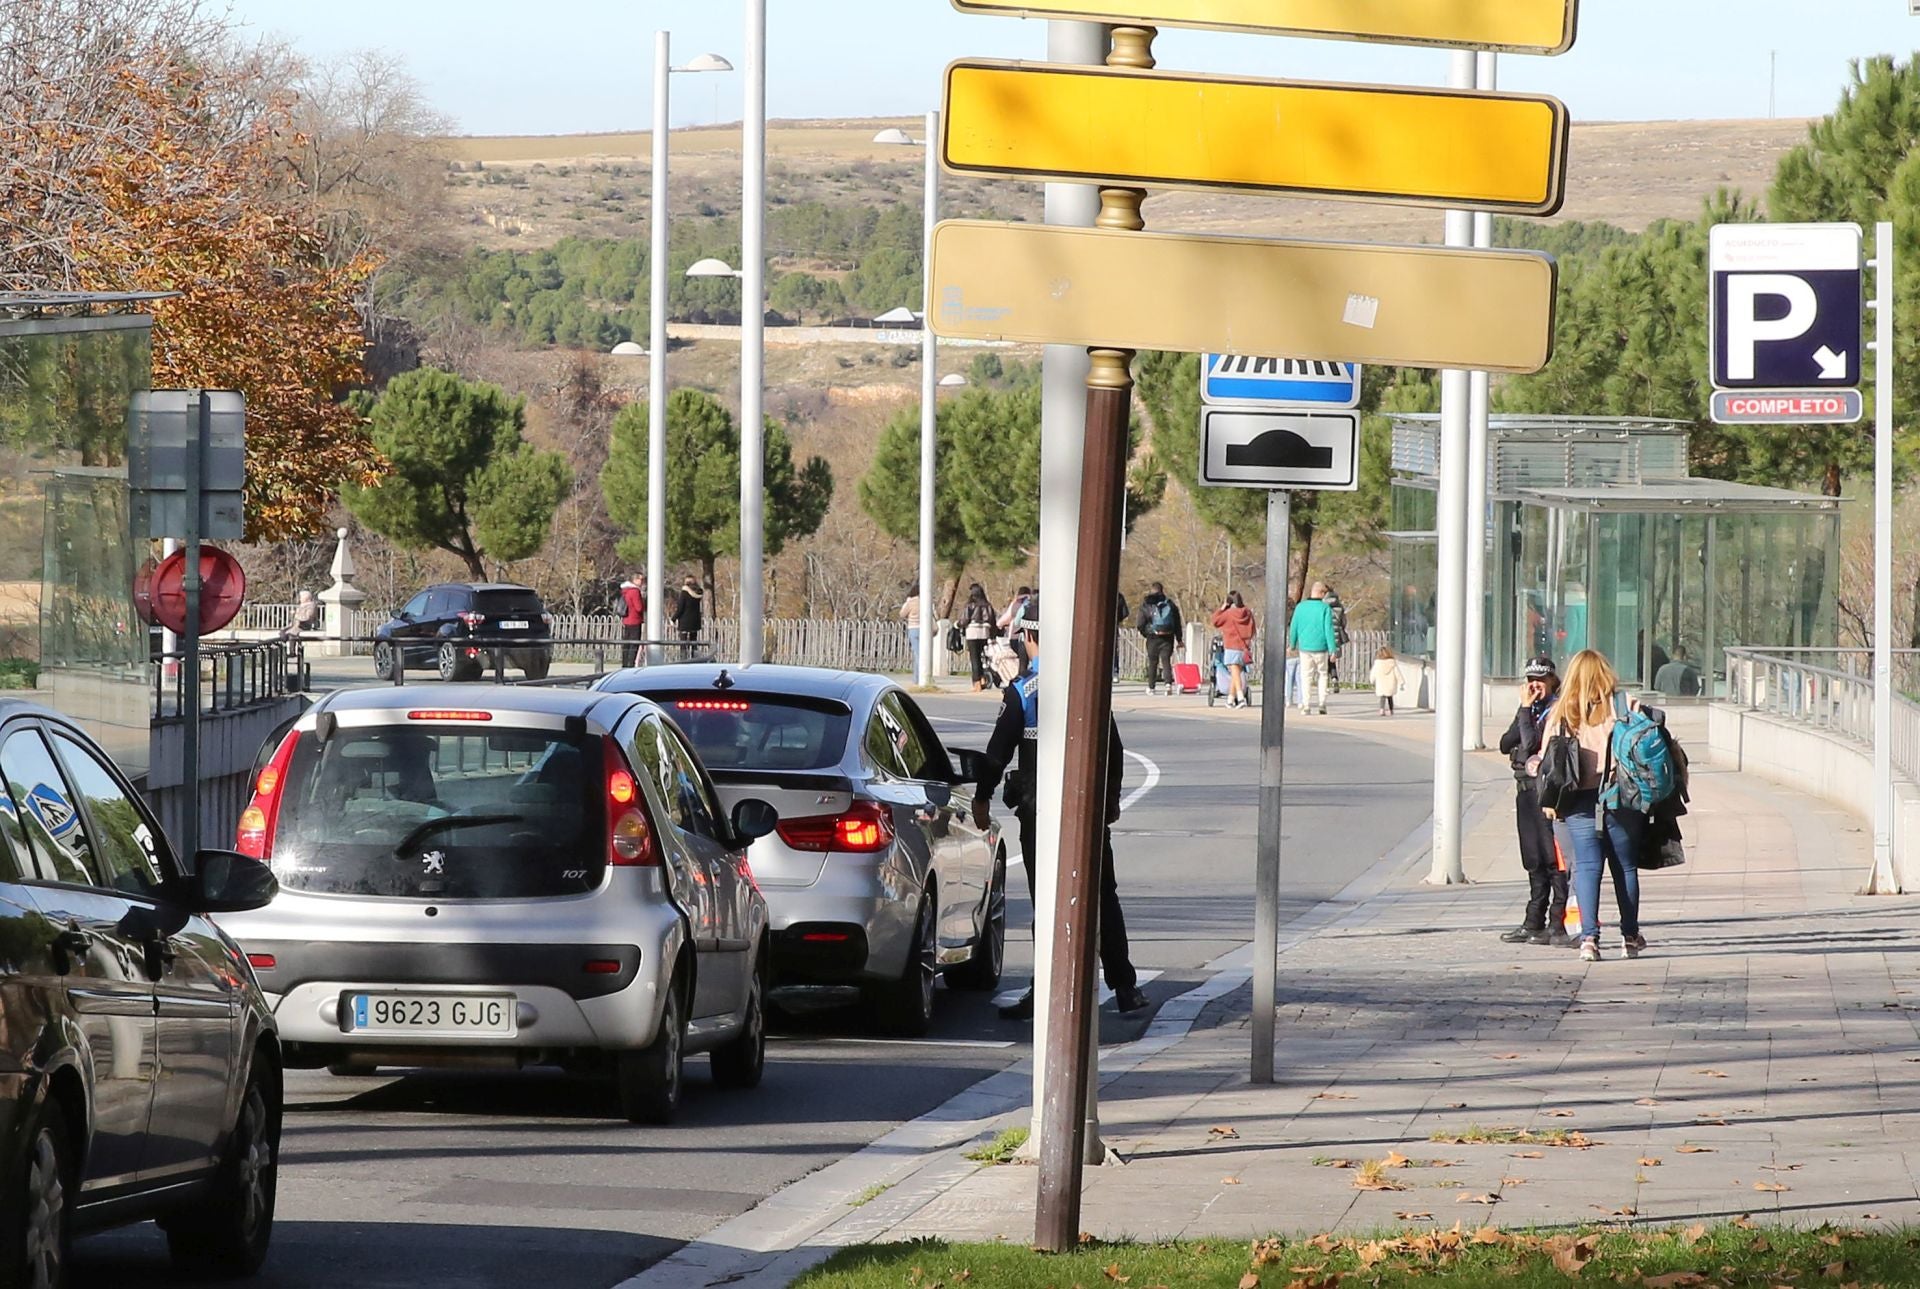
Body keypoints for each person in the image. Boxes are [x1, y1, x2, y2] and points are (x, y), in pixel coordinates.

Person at [973, 595, 1148, 1019]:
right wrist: (1111, 800)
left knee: (1047, 904)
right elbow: (1114, 748)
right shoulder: (1086, 688)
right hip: (1087, 814)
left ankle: (1044, 991)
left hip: (1039, 815)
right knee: (1103, 897)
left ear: (1030, 637)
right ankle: (1125, 988)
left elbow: (997, 753)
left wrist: (981, 797)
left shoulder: (1021, 693)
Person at [1539, 649, 1646, 963]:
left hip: (1578, 800)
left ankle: (1589, 939)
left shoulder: (1562, 713)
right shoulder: (1626, 705)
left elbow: (1548, 760)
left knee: (1587, 867)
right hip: (1621, 795)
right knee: (1625, 867)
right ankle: (1629, 936)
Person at [1497, 655, 1570, 946]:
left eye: (1541, 679)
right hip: (1525, 789)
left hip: (1547, 791)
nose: (1535, 685)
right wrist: (1524, 710)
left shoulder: (1557, 709)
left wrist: (1527, 711)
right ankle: (1533, 921)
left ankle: (1558, 921)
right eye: (1530, 680)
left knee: (1553, 859)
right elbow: (1506, 743)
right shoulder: (1528, 709)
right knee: (1533, 858)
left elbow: (1528, 745)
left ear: (1553, 680)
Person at [1287, 583, 1339, 715]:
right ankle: (1322, 703)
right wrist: (1332, 649)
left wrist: (1292, 644)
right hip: (1321, 647)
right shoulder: (1325, 608)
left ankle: (1306, 705)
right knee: (1322, 674)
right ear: (1321, 593)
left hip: (1305, 647)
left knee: (1306, 676)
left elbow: (1294, 627)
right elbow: (1329, 629)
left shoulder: (1300, 607)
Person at [1210, 591, 1256, 709]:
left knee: (1234, 671)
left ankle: (1240, 698)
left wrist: (1222, 608)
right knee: (1237, 672)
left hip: (1231, 645)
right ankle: (1230, 699)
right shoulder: (1248, 613)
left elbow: (1215, 621)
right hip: (1244, 646)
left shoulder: (1229, 613)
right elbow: (1253, 630)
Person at [1137, 582, 1182, 695]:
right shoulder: (1170, 604)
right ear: (1162, 590)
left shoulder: (1146, 604)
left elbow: (1140, 623)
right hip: (1168, 636)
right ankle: (1168, 685)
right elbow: (1177, 623)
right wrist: (1179, 638)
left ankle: (1151, 687)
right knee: (1166, 660)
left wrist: (1146, 633)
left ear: (1152, 590)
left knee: (1153, 662)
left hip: (1152, 636)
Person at [961, 583, 997, 691]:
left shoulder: (970, 606)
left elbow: (964, 620)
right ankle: (982, 679)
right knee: (982, 657)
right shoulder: (988, 605)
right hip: (984, 633)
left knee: (975, 658)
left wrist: (957, 625)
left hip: (972, 633)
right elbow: (992, 620)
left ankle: (976, 683)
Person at [998, 585, 1033, 678]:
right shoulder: (1033, 603)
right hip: (1032, 637)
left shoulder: (1016, 603)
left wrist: (999, 624)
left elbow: (1008, 618)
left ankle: (1022, 684)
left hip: (1015, 636)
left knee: (1022, 663)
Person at [1322, 584, 1350, 685]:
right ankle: (1334, 678)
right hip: (1336, 634)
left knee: (1323, 659)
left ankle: (1326, 682)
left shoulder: (1322, 606)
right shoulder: (1339, 606)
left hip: (1325, 635)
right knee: (1332, 659)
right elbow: (1344, 622)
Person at [672, 575, 705, 655]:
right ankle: (694, 658)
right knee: (694, 642)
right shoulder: (699, 593)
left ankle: (684, 660)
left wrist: (673, 618)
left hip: (685, 621)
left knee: (683, 644)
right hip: (695, 621)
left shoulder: (684, 593)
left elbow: (680, 608)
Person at [619, 572, 645, 667]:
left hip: (627, 619)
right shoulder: (635, 591)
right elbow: (639, 608)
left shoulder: (626, 590)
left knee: (627, 643)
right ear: (635, 580)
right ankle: (631, 664)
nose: (642, 582)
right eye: (640, 579)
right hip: (635, 620)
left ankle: (625, 663)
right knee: (634, 643)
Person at [899, 583, 922, 681]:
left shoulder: (911, 602)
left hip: (913, 628)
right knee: (923, 653)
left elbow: (902, 614)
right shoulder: (925, 601)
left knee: (917, 654)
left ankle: (917, 678)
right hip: (925, 629)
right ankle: (922, 676)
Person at [1371, 646, 1402, 717]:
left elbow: (1373, 673)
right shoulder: (1392, 663)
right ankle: (1391, 710)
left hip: (1381, 684)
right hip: (1390, 684)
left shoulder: (1377, 664)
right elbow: (1397, 673)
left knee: (1382, 697)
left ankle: (1382, 709)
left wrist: (1372, 680)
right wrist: (1401, 682)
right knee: (1390, 697)